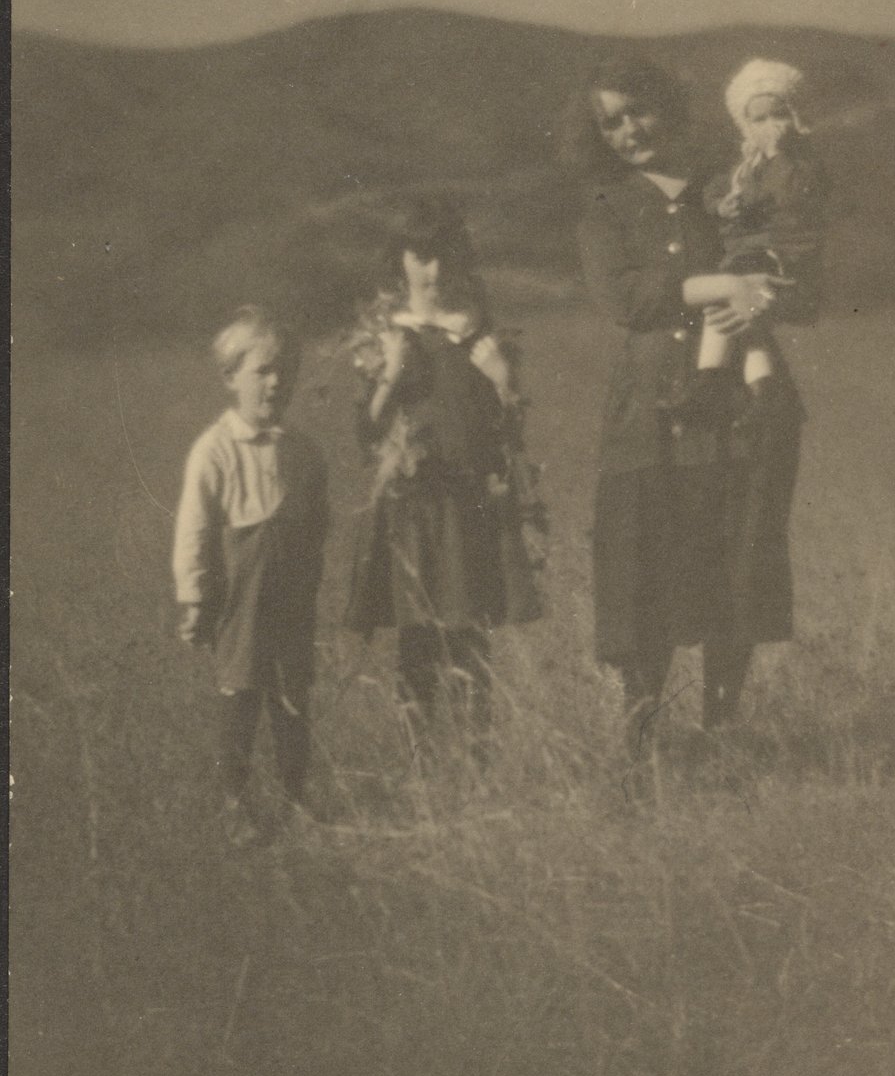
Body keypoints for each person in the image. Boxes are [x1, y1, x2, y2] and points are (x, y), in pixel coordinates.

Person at [560, 54, 818, 742]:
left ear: (669, 108)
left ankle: (721, 734)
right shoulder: (605, 208)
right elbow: (625, 299)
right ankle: (638, 739)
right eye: (610, 123)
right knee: (643, 565)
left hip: (738, 404)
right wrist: (722, 286)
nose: (628, 131)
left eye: (638, 111)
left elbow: (794, 268)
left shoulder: (728, 185)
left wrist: (764, 294)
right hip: (648, 411)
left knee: (734, 560)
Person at [345, 197, 544, 766]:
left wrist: (502, 380)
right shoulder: (387, 335)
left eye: (443, 256)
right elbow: (366, 432)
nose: (432, 271)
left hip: (469, 505)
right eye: (420, 256)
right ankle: (420, 765)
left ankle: (478, 761)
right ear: (401, 259)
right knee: (417, 637)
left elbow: (510, 433)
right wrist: (390, 373)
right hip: (413, 508)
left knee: (470, 636)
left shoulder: (477, 333)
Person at [173, 305, 328, 844]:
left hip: (291, 595)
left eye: (285, 370)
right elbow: (194, 530)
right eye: (262, 370)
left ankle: (295, 800)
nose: (275, 382)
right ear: (230, 377)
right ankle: (233, 803)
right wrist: (195, 597)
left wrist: (311, 575)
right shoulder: (214, 450)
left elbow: (317, 520)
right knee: (239, 697)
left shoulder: (302, 451)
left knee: (292, 698)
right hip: (241, 596)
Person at [661, 58, 826, 428]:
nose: (771, 127)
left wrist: (778, 157)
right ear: (746, 124)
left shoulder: (799, 164)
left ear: (795, 116)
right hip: (745, 252)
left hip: (777, 250)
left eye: (779, 115)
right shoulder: (744, 166)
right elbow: (716, 190)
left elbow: (789, 197)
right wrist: (722, 205)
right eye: (759, 119)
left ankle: (712, 378)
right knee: (738, 316)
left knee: (731, 305)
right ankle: (758, 388)